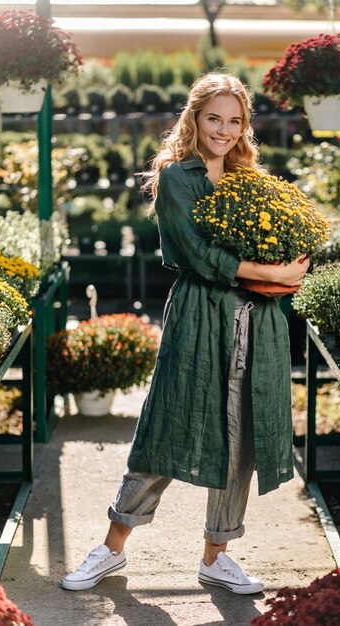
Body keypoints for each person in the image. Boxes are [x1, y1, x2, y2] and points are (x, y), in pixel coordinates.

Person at [61, 72, 309, 595]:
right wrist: (275, 274)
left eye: (234, 120)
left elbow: (280, 242)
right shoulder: (178, 176)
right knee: (167, 429)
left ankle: (216, 557)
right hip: (201, 319)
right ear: (194, 118)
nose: (223, 129)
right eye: (214, 118)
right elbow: (198, 257)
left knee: (242, 439)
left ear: (244, 127)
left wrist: (290, 266)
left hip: (256, 323)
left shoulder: (250, 180)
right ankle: (110, 549)